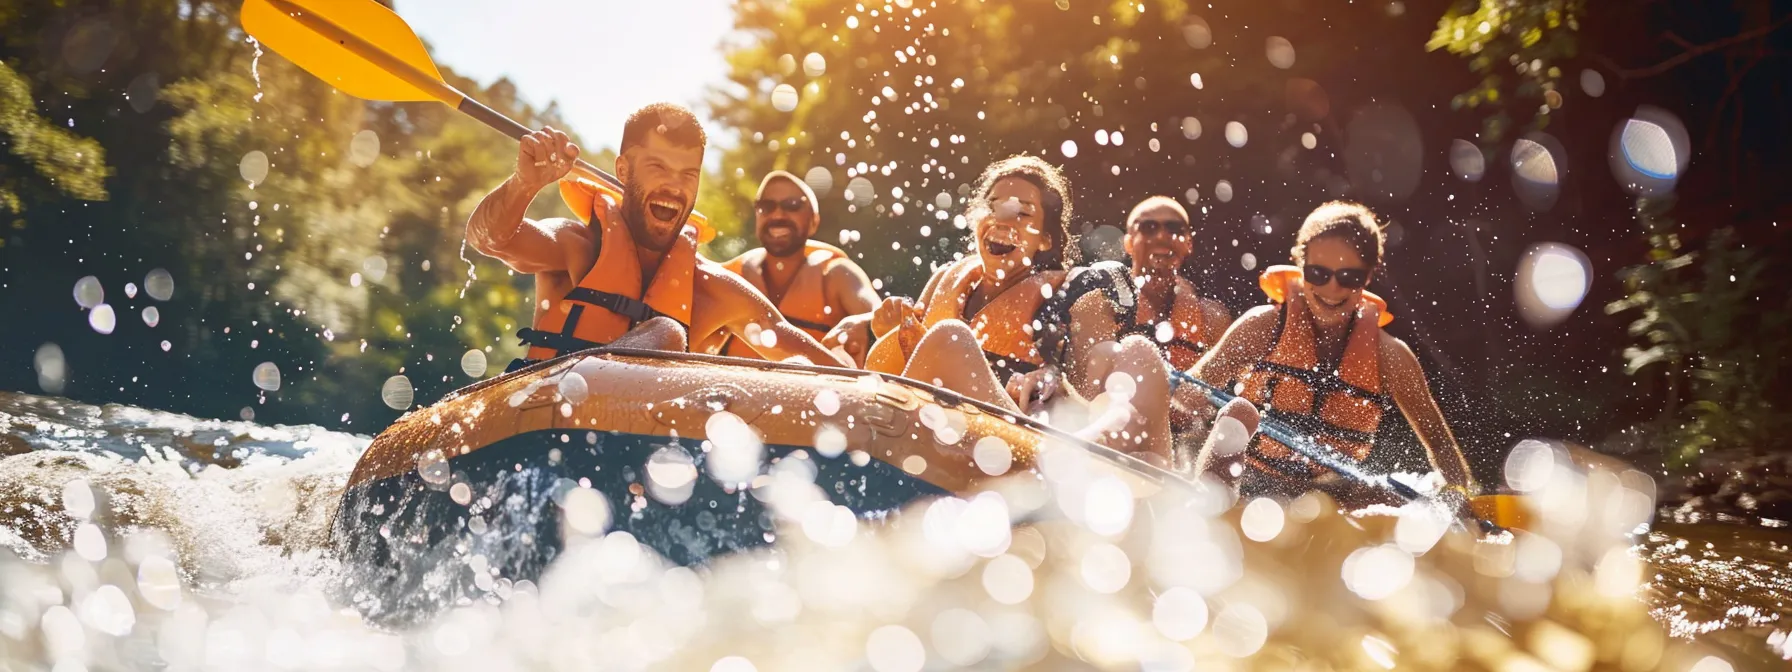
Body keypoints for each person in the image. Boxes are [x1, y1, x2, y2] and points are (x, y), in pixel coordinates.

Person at [832, 155, 1177, 465]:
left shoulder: (1076, 292)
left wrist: (1054, 375)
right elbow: (900, 363)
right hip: (927, 441)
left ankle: (1072, 463)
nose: (1002, 220)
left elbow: (1094, 384)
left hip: (1017, 446)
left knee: (1139, 351)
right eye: (994, 206)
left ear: (1045, 239)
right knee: (947, 338)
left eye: (1022, 213)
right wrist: (875, 323)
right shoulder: (946, 281)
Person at [463, 103, 847, 371]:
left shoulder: (712, 289)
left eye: (688, 174)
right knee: (666, 332)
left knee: (667, 335)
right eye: (658, 167)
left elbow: (814, 364)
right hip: (552, 422)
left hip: (637, 463)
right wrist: (523, 185)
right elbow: (489, 238)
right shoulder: (575, 245)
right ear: (624, 171)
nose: (674, 186)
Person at [1182, 201, 1479, 502]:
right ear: (1300, 266)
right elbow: (1195, 386)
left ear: (1368, 276)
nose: (1332, 288)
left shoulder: (1390, 356)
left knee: (1378, 495)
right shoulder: (1262, 326)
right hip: (1249, 483)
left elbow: (1440, 444)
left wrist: (1456, 498)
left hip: (1328, 497)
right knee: (1234, 416)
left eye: (1348, 277)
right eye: (1318, 273)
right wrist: (1184, 397)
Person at [697, 171, 878, 361]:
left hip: (813, 389)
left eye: (792, 205)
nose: (777, 214)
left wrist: (862, 321)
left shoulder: (837, 275)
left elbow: (881, 317)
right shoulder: (729, 278)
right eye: (766, 206)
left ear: (814, 222)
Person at [1117, 196, 1232, 371]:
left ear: (1189, 244)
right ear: (1129, 243)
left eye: (1174, 228)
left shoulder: (1213, 319)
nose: (1162, 236)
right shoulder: (1107, 306)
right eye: (1148, 227)